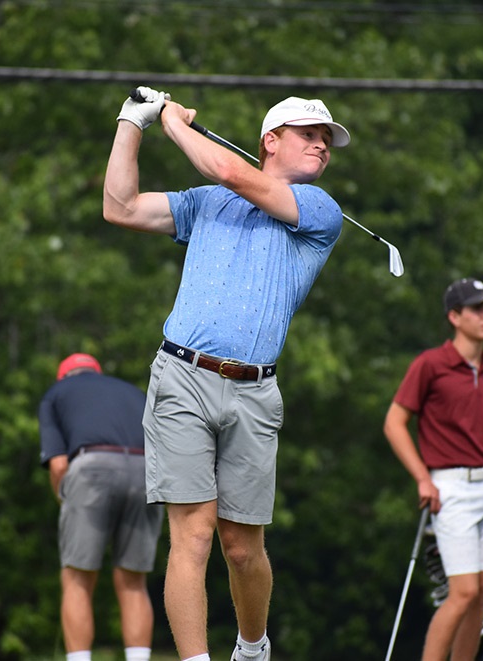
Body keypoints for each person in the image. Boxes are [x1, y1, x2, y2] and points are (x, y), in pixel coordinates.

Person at [103, 86, 350, 661]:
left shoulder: (319, 210)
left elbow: (235, 174)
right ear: (272, 141)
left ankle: (252, 646)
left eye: (326, 140)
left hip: (255, 392)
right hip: (182, 376)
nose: (321, 146)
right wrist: (131, 122)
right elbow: (120, 206)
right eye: (308, 135)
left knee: (242, 548)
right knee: (191, 536)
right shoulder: (207, 201)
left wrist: (171, 120)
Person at [382, 278, 483, 661]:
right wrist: (423, 478)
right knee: (463, 592)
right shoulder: (431, 365)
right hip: (451, 488)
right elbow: (394, 422)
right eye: (477, 309)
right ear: (454, 317)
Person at [39, 353, 165, 661]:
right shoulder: (130, 391)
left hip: (91, 468)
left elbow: (57, 465)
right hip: (147, 471)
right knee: (133, 580)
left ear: (63, 377)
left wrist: (64, 499)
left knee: (78, 577)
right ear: (97, 372)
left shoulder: (55, 394)